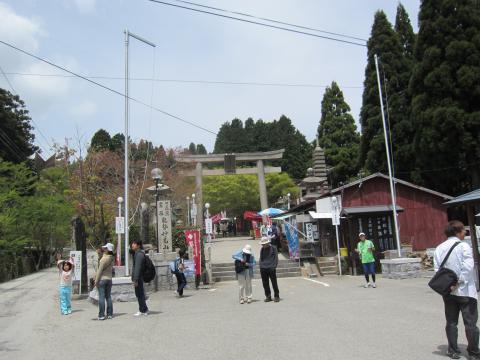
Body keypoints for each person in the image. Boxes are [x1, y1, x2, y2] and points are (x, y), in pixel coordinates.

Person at [434, 220, 480, 359]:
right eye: (462, 230)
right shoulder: (464, 247)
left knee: (451, 322)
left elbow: (437, 270)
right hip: (466, 291)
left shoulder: (439, 248)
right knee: (470, 323)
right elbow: (467, 268)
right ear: (457, 232)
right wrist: (458, 282)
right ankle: (473, 353)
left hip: (448, 292)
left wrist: (449, 285)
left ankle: (453, 350)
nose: (464, 232)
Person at [94, 243, 114, 320]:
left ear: (107, 250)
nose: (104, 249)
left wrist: (96, 280)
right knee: (108, 296)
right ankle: (110, 314)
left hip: (102, 279)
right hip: (109, 279)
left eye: (105, 248)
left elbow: (100, 271)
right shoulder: (112, 258)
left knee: (101, 297)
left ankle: (101, 315)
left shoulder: (104, 259)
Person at [259, 236, 280, 302]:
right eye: (262, 244)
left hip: (271, 267)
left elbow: (276, 258)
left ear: (267, 243)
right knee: (265, 283)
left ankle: (276, 296)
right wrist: (261, 265)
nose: (263, 245)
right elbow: (261, 258)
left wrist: (274, 266)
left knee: (274, 282)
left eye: (264, 244)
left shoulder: (274, 248)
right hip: (263, 268)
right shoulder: (262, 249)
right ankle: (268, 296)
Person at [131, 240, 148, 316]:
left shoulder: (139, 255)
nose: (132, 245)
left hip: (138, 277)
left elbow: (137, 268)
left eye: (134, 244)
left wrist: (135, 279)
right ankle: (143, 309)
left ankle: (143, 310)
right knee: (140, 293)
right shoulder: (138, 254)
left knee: (139, 294)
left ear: (138, 246)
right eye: (132, 243)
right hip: (139, 277)